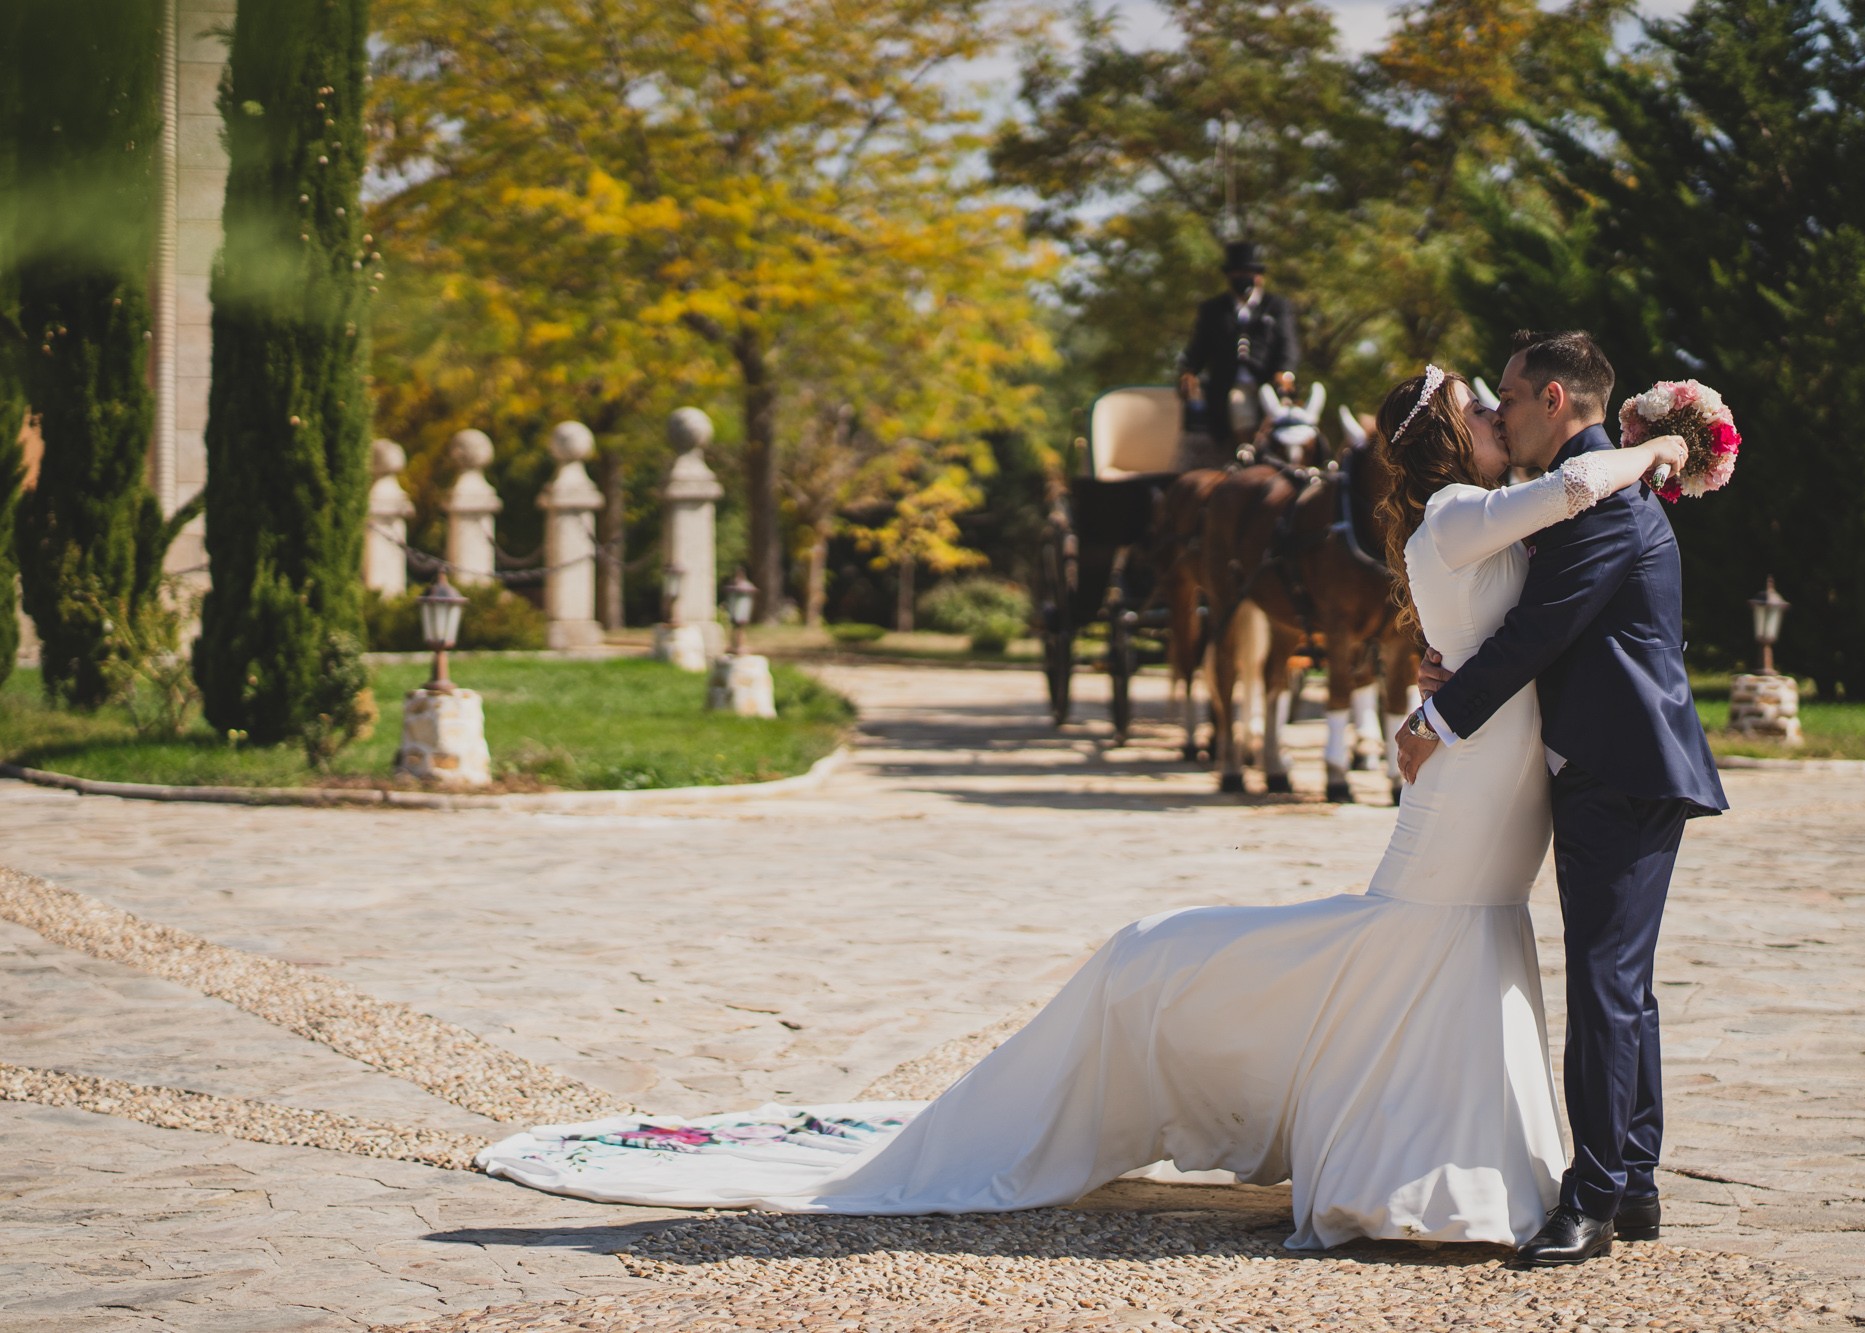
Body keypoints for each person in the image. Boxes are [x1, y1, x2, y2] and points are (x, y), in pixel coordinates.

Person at [477, 366, 1693, 1262]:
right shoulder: (1453, 515)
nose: (1495, 414)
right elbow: (1577, 482)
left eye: (1498, 401)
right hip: (1473, 781)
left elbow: (1544, 590)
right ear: (1443, 440)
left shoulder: (1483, 509)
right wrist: (1666, 440)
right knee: (1421, 938)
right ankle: (1356, 1133)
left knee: (1448, 946)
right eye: (1479, 407)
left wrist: (1445, 666)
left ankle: (1452, 1165)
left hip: (1493, 769)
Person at [1396, 330, 1728, 1266]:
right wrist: (1445, 662)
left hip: (1620, 764)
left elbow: (1540, 628)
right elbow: (1525, 616)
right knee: (1623, 982)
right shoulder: (1584, 491)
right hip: (1618, 761)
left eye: (1506, 397)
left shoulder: (1605, 500)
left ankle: (1592, 1198)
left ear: (1552, 399)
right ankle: (1635, 1182)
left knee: (1605, 982)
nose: (1498, 414)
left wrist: (1436, 716)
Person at [1177, 240, 1299, 449]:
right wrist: (1189, 371)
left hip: (1269, 383)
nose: (1243, 277)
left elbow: (1288, 344)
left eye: (1248, 272)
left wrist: (1285, 373)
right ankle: (1247, 452)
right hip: (1230, 384)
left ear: (1259, 276)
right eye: (1238, 272)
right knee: (1238, 403)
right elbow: (1198, 347)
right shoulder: (1213, 310)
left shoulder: (1277, 306)